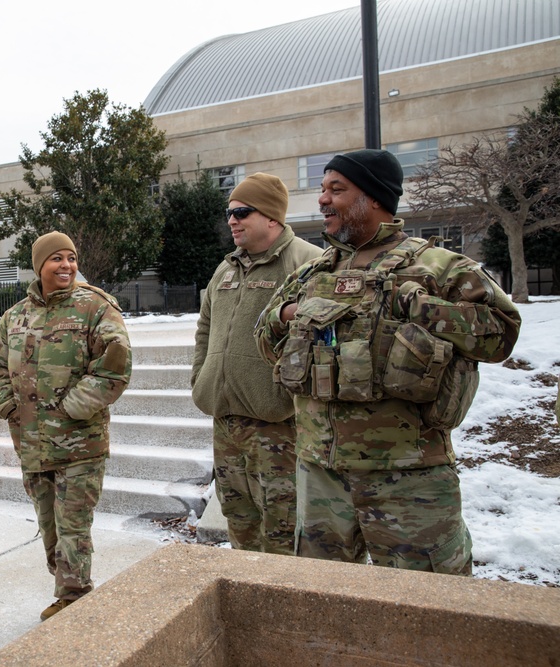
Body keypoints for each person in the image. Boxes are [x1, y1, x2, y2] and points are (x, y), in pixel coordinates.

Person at [256, 149, 521, 574]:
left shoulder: (437, 266)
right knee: (321, 598)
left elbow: (501, 334)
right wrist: (287, 315)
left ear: (375, 198)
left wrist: (416, 305)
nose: (322, 199)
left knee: (432, 606)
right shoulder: (312, 273)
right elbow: (265, 339)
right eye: (322, 189)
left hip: (409, 476)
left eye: (336, 189)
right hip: (320, 472)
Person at [0, 231, 131, 621]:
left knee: (74, 527)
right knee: (49, 526)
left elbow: (114, 367)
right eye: (56, 259)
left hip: (80, 444)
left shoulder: (96, 307)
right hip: (31, 444)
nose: (66, 265)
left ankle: (72, 598)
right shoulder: (15, 315)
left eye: (71, 258)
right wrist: (5, 404)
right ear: (39, 266)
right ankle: (67, 584)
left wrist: (73, 408)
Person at [191, 173, 322, 554]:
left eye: (242, 212)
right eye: (229, 212)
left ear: (271, 217)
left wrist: (288, 394)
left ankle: (278, 608)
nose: (232, 220)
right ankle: (244, 598)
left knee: (283, 528)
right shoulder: (226, 269)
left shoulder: (308, 262)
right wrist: (202, 378)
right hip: (226, 421)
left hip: (279, 427)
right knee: (239, 519)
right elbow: (205, 329)